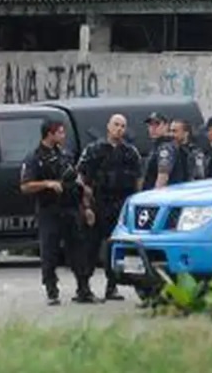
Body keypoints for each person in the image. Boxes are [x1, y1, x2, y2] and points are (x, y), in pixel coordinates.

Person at [20, 120, 99, 305]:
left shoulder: (65, 155)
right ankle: (52, 290)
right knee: (50, 252)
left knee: (79, 250)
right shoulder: (34, 158)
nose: (64, 136)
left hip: (70, 209)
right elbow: (25, 186)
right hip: (50, 211)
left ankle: (84, 289)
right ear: (50, 134)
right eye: (61, 133)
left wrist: (86, 205)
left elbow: (76, 181)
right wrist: (47, 183)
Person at [77, 114, 142, 301]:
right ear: (108, 126)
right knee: (90, 247)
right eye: (116, 125)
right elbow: (81, 179)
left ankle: (111, 287)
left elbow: (138, 181)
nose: (119, 129)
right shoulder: (94, 150)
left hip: (120, 206)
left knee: (114, 248)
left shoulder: (131, 152)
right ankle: (83, 288)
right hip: (98, 204)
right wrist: (87, 206)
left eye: (123, 125)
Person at [141, 112, 178, 190]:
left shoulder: (165, 147)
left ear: (166, 126)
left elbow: (163, 177)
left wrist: (155, 197)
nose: (153, 128)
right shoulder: (157, 146)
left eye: (157, 124)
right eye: (150, 125)